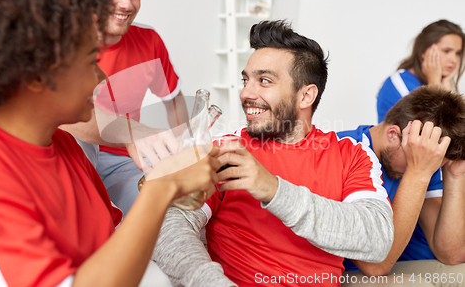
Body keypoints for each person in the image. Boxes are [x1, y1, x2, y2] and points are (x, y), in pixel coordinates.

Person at [0, 0, 220, 287]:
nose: (101, 78)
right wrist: (160, 188)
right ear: (39, 72)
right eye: (91, 61)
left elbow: (115, 242)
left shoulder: (66, 150)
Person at [151, 20, 394, 287]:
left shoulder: (352, 155)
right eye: (246, 80)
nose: (246, 93)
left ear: (306, 96)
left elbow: (377, 240)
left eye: (264, 81)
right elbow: (170, 225)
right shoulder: (227, 151)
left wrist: (274, 190)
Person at [60, 0, 188, 214]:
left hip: (126, 162)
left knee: (167, 211)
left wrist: (182, 148)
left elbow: (175, 103)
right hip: (72, 156)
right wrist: (133, 132)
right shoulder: (56, 35)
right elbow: (61, 115)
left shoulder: (149, 41)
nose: (126, 4)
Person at [339, 86, 465, 284]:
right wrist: (418, 172)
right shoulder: (345, 151)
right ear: (393, 134)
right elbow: (375, 265)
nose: (428, 170)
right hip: (344, 272)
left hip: (394, 264)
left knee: (462, 273)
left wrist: (455, 173)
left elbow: (451, 254)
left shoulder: (424, 162)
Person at [377, 19, 465, 123]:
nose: (454, 60)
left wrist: (445, 87)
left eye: (458, 53)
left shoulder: (441, 83)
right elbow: (431, 128)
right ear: (424, 51)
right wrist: (435, 84)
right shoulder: (399, 82)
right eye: (446, 51)